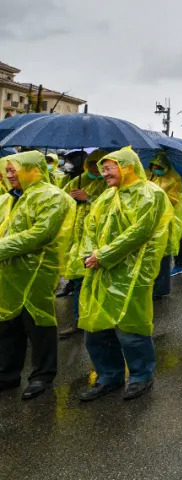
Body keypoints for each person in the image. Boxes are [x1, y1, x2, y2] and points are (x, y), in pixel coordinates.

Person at [78, 147, 172, 402]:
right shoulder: (107, 196)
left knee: (131, 330)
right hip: (100, 269)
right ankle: (109, 376)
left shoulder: (150, 193)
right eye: (103, 169)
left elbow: (140, 231)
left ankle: (141, 376)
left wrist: (103, 255)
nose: (104, 173)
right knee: (97, 329)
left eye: (109, 168)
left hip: (133, 271)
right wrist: (88, 253)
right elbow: (91, 225)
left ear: (127, 166)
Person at [0, 151, 74, 400]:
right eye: (7, 170)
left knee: (38, 323)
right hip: (8, 271)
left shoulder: (52, 196)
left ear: (32, 169)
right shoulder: (8, 199)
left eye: (14, 170)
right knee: (8, 324)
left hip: (37, 271)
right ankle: (7, 375)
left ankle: (42, 375)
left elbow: (40, 234)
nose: (9, 175)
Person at [57, 149, 107, 339]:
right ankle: (80, 320)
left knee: (93, 280)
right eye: (91, 163)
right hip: (76, 238)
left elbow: (109, 209)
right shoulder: (79, 180)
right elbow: (61, 200)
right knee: (79, 280)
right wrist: (71, 199)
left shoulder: (108, 183)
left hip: (96, 239)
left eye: (98, 164)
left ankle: (95, 319)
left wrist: (88, 198)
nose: (95, 167)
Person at [148, 153, 182, 300]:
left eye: (159, 166)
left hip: (165, 222)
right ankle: (150, 287)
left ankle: (161, 289)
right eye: (154, 166)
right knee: (150, 255)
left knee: (163, 255)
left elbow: (174, 200)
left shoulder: (174, 179)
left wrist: (157, 197)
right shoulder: (148, 175)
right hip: (149, 221)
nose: (156, 168)